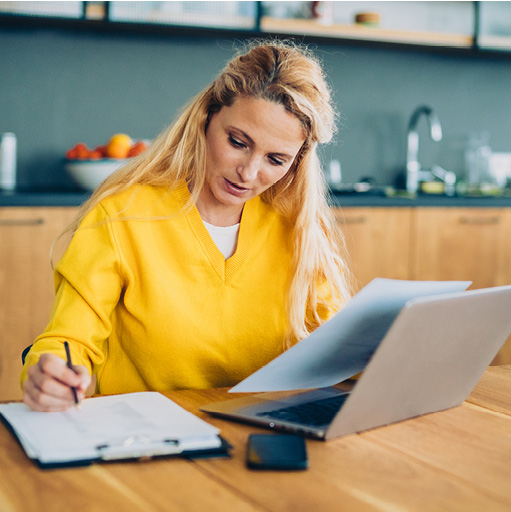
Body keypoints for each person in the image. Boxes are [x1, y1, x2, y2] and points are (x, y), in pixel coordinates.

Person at [21, 40, 353, 412]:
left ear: (296, 163)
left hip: (261, 440)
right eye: (238, 142)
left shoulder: (298, 231)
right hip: (148, 442)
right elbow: (68, 341)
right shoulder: (121, 216)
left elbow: (338, 350)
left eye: (276, 159)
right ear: (206, 118)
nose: (249, 172)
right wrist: (48, 372)